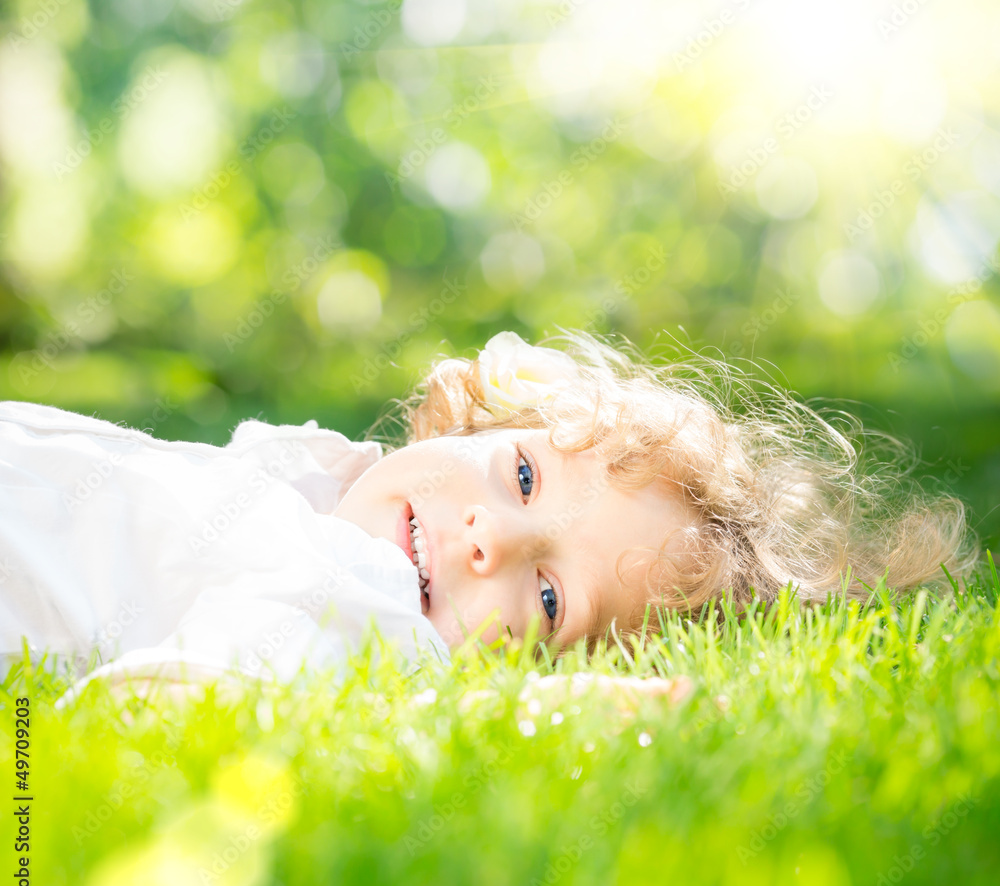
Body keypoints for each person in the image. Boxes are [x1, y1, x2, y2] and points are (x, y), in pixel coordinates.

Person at [0, 329, 977, 703]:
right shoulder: (316, 481)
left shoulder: (354, 614)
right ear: (489, 424)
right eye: (520, 476)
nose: (493, 538)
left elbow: (160, 705)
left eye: (549, 596)